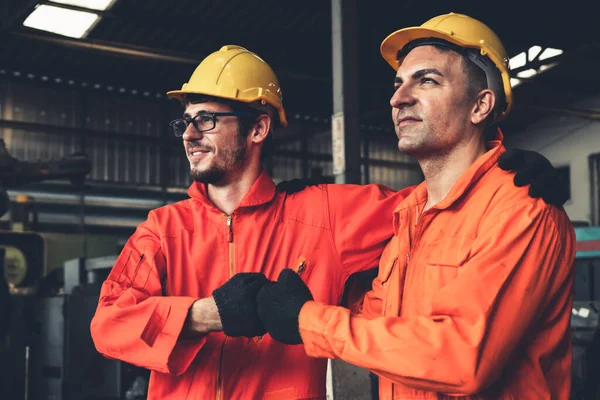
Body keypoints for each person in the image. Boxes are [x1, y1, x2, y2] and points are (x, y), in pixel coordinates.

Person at [90, 44, 568, 399]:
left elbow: (438, 201)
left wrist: (504, 162)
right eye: (186, 122)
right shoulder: (163, 228)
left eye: (208, 120)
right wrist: (203, 316)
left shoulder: (324, 213)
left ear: (258, 128)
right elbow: (107, 324)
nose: (190, 134)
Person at [256, 13, 576, 400]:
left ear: (480, 106)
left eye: (427, 80)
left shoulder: (519, 209)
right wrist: (305, 293)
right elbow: (379, 323)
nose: (398, 98)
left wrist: (307, 320)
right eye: (398, 83)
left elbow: (462, 358)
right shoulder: (410, 215)